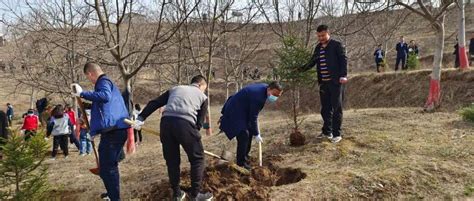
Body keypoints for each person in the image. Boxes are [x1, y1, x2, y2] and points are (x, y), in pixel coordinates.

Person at [133, 75, 213, 201]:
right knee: (198, 158)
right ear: (200, 85)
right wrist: (190, 137)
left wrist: (141, 118)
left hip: (166, 123)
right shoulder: (203, 97)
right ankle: (195, 195)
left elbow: (156, 102)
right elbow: (199, 123)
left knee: (172, 161)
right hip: (185, 124)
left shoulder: (175, 89)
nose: (203, 91)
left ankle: (177, 193)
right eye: (204, 88)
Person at [71, 62, 130, 201]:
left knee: (107, 168)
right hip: (114, 131)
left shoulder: (103, 81)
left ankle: (114, 198)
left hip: (114, 131)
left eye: (88, 77)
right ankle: (112, 194)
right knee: (108, 166)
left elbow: (104, 96)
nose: (90, 80)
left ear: (90, 74)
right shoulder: (107, 83)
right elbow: (101, 105)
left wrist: (82, 93)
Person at [300, 24, 348, 143]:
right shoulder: (318, 48)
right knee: (325, 109)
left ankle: (337, 134)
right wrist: (300, 69)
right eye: (319, 36)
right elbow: (312, 61)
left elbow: (343, 60)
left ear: (328, 33)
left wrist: (343, 75)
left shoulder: (336, 45)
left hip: (335, 82)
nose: (321, 38)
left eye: (323, 35)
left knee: (337, 108)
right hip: (323, 83)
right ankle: (327, 131)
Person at [219, 81, 283, 170]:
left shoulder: (264, 89)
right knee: (244, 135)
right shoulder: (258, 97)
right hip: (234, 112)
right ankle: (241, 163)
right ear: (269, 89)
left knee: (249, 132)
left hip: (242, 111)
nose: (275, 97)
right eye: (274, 94)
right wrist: (257, 134)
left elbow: (252, 115)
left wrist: (254, 132)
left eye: (278, 96)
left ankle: (245, 157)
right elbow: (253, 117)